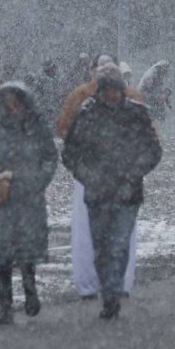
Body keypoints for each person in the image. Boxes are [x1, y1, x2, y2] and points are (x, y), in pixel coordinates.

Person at [62, 63, 162, 320]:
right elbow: (70, 152)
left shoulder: (136, 114)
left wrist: (134, 172)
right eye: (106, 89)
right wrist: (87, 176)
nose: (111, 95)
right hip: (97, 193)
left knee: (119, 244)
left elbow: (153, 150)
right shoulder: (87, 115)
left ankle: (112, 294)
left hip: (127, 193)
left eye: (115, 89)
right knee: (101, 247)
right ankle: (109, 291)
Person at [56, 53, 143, 301]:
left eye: (108, 67)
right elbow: (63, 129)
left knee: (123, 231)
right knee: (86, 231)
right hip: (90, 176)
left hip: (122, 176)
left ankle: (120, 284)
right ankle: (89, 284)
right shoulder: (80, 98)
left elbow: (146, 137)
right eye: (99, 68)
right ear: (91, 71)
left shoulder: (131, 98)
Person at [0, 82, 58, 325]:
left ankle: (30, 292)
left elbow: (50, 157)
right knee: (1, 257)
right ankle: (5, 306)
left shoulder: (35, 126)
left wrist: (37, 182)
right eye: (7, 101)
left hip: (27, 200)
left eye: (15, 101)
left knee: (26, 253)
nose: (12, 106)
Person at [138, 60, 172, 136]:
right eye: (164, 72)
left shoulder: (157, 77)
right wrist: (158, 97)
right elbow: (145, 93)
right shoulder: (150, 76)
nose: (165, 75)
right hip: (148, 104)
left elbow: (159, 91)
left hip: (154, 105)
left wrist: (165, 98)